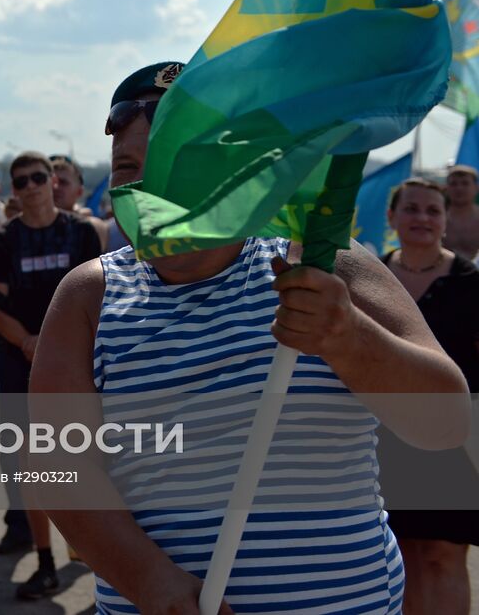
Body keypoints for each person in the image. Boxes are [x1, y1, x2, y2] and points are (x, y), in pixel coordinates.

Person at [31, 61, 470, 614]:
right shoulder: (88, 296)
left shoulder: (320, 261)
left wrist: (348, 338)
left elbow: (447, 421)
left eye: (177, 165)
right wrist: (148, 580)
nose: (149, 190)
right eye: (127, 167)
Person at [0, 151, 101, 596]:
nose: (30, 187)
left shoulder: (82, 233)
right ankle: (46, 559)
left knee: (87, 457)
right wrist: (29, 342)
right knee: (33, 465)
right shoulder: (1, 239)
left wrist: (57, 346)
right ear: (14, 190)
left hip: (77, 359)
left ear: (53, 181)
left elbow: (100, 296)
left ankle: (96, 552)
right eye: (21, 181)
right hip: (20, 361)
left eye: (37, 178)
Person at [379, 177, 479, 614]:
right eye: (412, 209)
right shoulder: (370, 276)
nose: (422, 218)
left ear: (446, 220)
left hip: (451, 438)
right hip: (378, 434)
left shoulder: (471, 282)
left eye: (432, 211)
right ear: (392, 217)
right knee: (396, 552)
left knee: (442, 553)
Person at [49, 153, 110, 250]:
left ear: (79, 191)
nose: (55, 187)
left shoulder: (93, 227)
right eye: (52, 182)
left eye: (63, 182)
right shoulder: (22, 224)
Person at [443, 164, 479, 261]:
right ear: (446, 189)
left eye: (465, 183)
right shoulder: (436, 220)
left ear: (476, 188)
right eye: (454, 184)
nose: (459, 188)